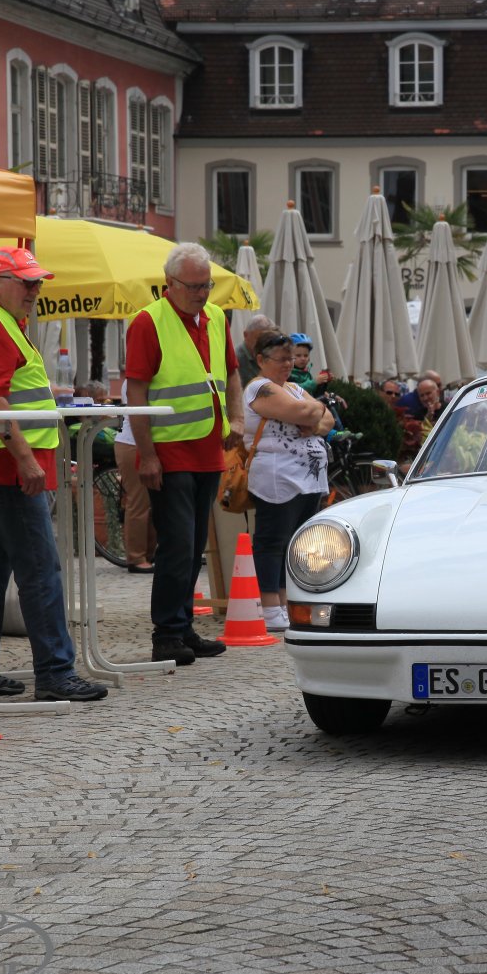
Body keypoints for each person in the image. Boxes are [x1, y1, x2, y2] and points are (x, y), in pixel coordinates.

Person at [0, 247, 108, 703]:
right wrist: (25, 460)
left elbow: (0, 393)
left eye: (38, 282)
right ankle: (55, 672)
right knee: (38, 570)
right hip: (4, 467)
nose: (36, 290)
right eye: (27, 282)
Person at [126, 242, 241, 666]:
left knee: (193, 547)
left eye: (206, 285)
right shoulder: (148, 321)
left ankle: (183, 625)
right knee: (176, 545)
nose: (201, 293)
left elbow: (231, 373)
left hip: (208, 447)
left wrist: (237, 418)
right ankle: (167, 633)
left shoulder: (215, 317)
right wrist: (147, 455)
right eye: (193, 286)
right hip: (170, 450)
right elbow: (136, 391)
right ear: (169, 283)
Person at [243, 331, 333, 632]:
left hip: (308, 478)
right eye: (281, 359)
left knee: (295, 542)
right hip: (277, 476)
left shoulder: (293, 387)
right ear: (261, 360)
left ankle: (285, 601)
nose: (288, 364)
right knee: (273, 539)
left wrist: (314, 417)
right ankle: (269, 604)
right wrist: (315, 410)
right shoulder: (259, 388)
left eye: (290, 359)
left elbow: (327, 420)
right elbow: (303, 411)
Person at [110, 417, 157, 572]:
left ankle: (148, 554)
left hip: (143, 443)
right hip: (133, 444)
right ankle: (136, 557)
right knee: (139, 501)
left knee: (150, 502)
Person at [236, 313, 277, 385]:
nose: (264, 344)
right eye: (259, 339)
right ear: (246, 335)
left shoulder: (272, 355)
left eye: (268, 339)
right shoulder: (236, 359)